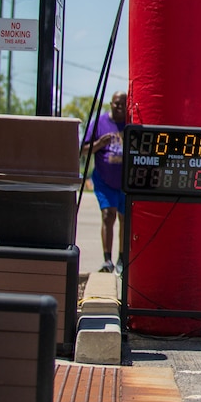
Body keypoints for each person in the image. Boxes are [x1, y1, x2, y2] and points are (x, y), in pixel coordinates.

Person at [81, 91, 128, 274]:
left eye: (123, 104)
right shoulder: (99, 123)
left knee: (125, 219)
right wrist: (100, 143)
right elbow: (84, 150)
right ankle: (107, 260)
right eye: (117, 104)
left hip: (126, 182)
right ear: (111, 103)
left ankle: (122, 259)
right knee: (108, 215)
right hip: (104, 180)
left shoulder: (131, 122)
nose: (120, 107)